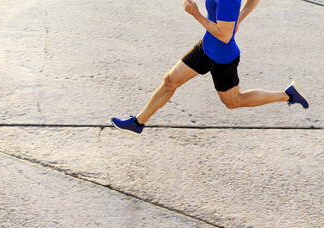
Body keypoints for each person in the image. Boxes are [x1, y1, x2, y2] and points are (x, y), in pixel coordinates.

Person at [112, 0, 309, 135]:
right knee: (170, 81)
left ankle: (288, 94)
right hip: (207, 47)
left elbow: (224, 36)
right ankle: (138, 123)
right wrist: (237, 20)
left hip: (223, 58)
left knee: (234, 102)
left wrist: (195, 14)